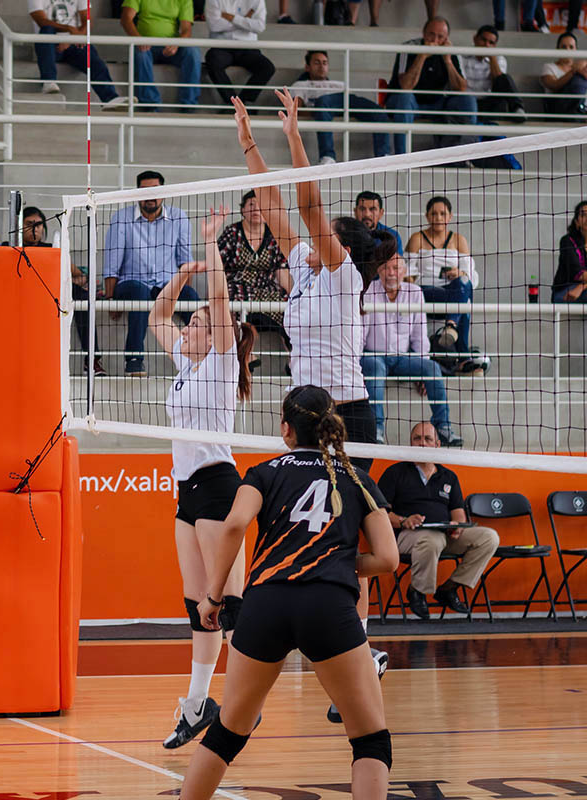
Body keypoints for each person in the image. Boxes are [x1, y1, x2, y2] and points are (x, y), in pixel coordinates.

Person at [236, 91, 394, 724]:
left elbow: (304, 201)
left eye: (318, 234)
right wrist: (248, 141)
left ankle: (361, 648)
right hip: (305, 411)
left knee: (344, 531)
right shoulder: (302, 265)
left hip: (347, 413)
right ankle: (350, 652)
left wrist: (296, 135)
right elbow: (276, 206)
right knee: (318, 530)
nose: (302, 238)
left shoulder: (340, 270)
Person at [176, 385, 397, 800]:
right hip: (328, 605)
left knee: (226, 733)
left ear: (286, 430)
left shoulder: (263, 472)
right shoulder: (356, 478)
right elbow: (387, 559)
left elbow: (234, 525)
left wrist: (214, 597)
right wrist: (334, 562)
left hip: (266, 602)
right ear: (334, 428)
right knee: (370, 739)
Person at [150, 207, 257, 749]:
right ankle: (198, 703)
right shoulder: (187, 367)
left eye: (199, 325)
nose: (189, 325)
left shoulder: (216, 365)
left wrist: (212, 245)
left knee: (231, 605)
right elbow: (155, 317)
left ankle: (243, 701)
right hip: (186, 494)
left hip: (218, 486)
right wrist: (181, 275)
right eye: (189, 324)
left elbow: (218, 306)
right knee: (199, 607)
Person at [377, 422, 500, 620]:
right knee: (431, 540)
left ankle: (449, 589)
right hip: (406, 536)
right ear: (410, 444)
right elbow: (379, 514)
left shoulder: (448, 476)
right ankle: (417, 591)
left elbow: (458, 513)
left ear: (437, 444)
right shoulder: (395, 473)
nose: (422, 444)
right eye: (417, 439)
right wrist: (403, 520)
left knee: (489, 537)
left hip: (443, 535)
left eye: (427, 439)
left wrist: (457, 527)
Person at [103, 170, 200, 377]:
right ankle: (134, 360)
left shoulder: (178, 217)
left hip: (166, 284)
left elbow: (185, 261)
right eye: (145, 191)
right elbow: (112, 262)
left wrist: (182, 288)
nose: (150, 196)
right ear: (137, 193)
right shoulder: (122, 218)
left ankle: (202, 357)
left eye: (155, 190)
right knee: (139, 293)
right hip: (131, 283)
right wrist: (111, 299)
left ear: (164, 192)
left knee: (191, 298)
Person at [361, 254, 461, 447]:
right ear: (378, 271)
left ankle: (443, 427)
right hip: (373, 357)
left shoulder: (414, 292)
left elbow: (419, 335)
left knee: (431, 368)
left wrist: (422, 370)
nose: (391, 273)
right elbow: (360, 335)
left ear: (404, 271)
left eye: (396, 268)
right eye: (386, 268)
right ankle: (377, 429)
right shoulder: (368, 292)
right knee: (374, 366)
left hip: (402, 358)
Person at [23, 205, 103, 376]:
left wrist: (77, 277)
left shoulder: (52, 248)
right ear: (19, 226)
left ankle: (92, 360)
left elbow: (77, 273)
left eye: (38, 224)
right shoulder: (9, 247)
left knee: (81, 296)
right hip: (23, 295)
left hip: (50, 294)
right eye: (29, 224)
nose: (34, 228)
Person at [384, 17, 477, 155]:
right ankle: (401, 158)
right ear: (423, 33)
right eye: (431, 34)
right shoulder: (408, 48)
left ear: (446, 39)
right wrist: (422, 56)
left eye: (440, 37)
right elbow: (406, 86)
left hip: (438, 102)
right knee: (405, 97)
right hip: (407, 102)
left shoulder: (452, 52)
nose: (434, 40)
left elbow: (461, 88)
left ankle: (463, 157)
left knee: (467, 101)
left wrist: (447, 60)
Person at [404, 195, 478, 356]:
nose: (438, 218)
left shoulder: (459, 240)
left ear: (450, 216)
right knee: (464, 303)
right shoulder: (417, 238)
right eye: (434, 213)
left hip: (452, 290)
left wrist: (460, 272)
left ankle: (450, 327)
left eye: (443, 214)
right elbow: (407, 272)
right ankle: (462, 355)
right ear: (427, 215)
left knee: (464, 284)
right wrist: (413, 285)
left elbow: (470, 274)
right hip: (425, 291)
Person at [217, 190, 290, 344]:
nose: (256, 209)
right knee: (229, 301)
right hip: (237, 289)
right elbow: (217, 268)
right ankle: (243, 352)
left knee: (288, 304)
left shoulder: (275, 236)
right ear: (243, 210)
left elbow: (282, 271)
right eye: (251, 204)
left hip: (266, 290)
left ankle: (292, 354)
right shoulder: (231, 233)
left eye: (261, 205)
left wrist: (295, 296)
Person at [289, 50, 389, 162]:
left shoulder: (339, 84)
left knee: (379, 113)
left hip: (343, 100)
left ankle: (383, 157)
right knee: (323, 102)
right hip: (323, 106)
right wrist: (316, 111)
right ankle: (327, 156)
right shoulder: (301, 85)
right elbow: (296, 110)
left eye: (325, 63)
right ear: (307, 67)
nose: (321, 66)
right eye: (317, 63)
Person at [30, 0, 126, 107]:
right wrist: (69, 29)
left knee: (94, 61)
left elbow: (87, 20)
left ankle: (110, 99)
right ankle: (48, 81)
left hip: (73, 43)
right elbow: (41, 21)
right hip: (49, 45)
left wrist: (73, 38)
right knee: (46, 30)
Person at [120, 0, 202, 111]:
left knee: (193, 52)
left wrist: (177, 43)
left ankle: (189, 105)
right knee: (141, 55)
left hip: (171, 47)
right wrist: (138, 39)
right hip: (146, 45)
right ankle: (149, 105)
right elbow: (126, 19)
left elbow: (186, 29)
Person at [204, 0, 275, 108]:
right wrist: (245, 21)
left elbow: (260, 26)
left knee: (267, 67)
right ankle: (232, 103)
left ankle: (241, 103)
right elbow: (214, 25)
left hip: (248, 47)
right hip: (222, 47)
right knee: (212, 61)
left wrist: (232, 18)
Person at [462, 25, 523, 123]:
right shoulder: (462, 56)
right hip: (468, 102)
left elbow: (499, 82)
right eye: (483, 40)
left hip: (489, 101)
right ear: (475, 39)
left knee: (504, 78)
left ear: (495, 46)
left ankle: (517, 109)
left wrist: (492, 58)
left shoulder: (499, 59)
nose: (486, 45)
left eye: (491, 43)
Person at [541, 33, 587, 119]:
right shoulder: (549, 67)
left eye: (571, 47)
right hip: (558, 110)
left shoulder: (582, 68)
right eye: (563, 47)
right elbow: (554, 86)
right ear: (557, 49)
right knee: (578, 79)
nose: (567, 50)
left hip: (581, 110)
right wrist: (573, 71)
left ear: (576, 49)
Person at [554, 200, 587, 303]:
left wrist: (581, 288)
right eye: (583, 215)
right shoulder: (567, 241)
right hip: (566, 291)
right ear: (577, 222)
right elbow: (581, 275)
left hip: (581, 289)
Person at [354, 191, 403, 257]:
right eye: (362, 209)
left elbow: (396, 265)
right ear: (355, 211)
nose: (367, 214)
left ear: (381, 213)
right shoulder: (345, 235)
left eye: (372, 209)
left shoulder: (392, 236)